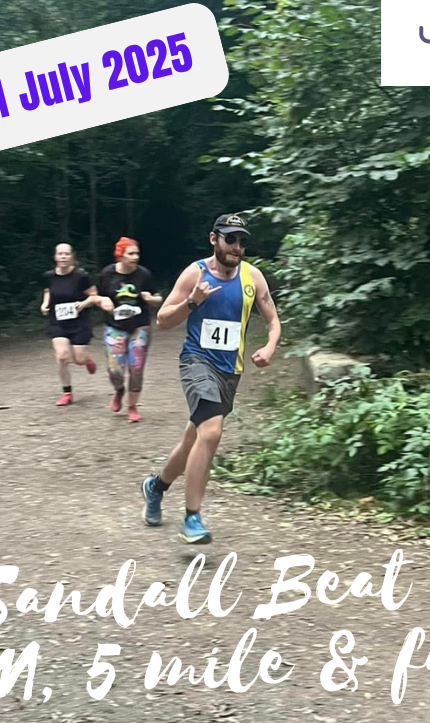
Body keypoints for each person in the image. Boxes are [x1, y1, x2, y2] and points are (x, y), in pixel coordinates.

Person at [140, 214, 281, 543]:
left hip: (230, 371)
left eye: (242, 241)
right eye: (230, 239)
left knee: (194, 439)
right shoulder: (196, 273)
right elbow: (162, 320)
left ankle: (156, 487)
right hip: (196, 362)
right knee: (213, 431)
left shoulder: (253, 277)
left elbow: (273, 321)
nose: (237, 247)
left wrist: (270, 346)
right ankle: (192, 517)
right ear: (213, 239)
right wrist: (192, 302)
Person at [96, 237, 163, 423]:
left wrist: (152, 299)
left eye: (137, 253)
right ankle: (119, 390)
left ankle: (132, 406)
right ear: (120, 255)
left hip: (139, 326)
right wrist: (103, 301)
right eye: (131, 254)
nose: (135, 257)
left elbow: (158, 298)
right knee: (115, 370)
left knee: (136, 367)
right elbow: (96, 296)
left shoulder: (144, 275)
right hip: (114, 326)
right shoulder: (107, 274)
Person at [40, 243, 98, 406]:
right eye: (60, 254)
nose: (63, 257)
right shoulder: (49, 276)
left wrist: (84, 304)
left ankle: (87, 360)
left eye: (66, 254)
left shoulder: (81, 277)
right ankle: (67, 392)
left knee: (78, 359)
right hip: (58, 321)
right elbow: (47, 291)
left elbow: (94, 296)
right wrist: (45, 304)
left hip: (79, 322)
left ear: (72, 256)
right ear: (55, 257)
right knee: (62, 356)